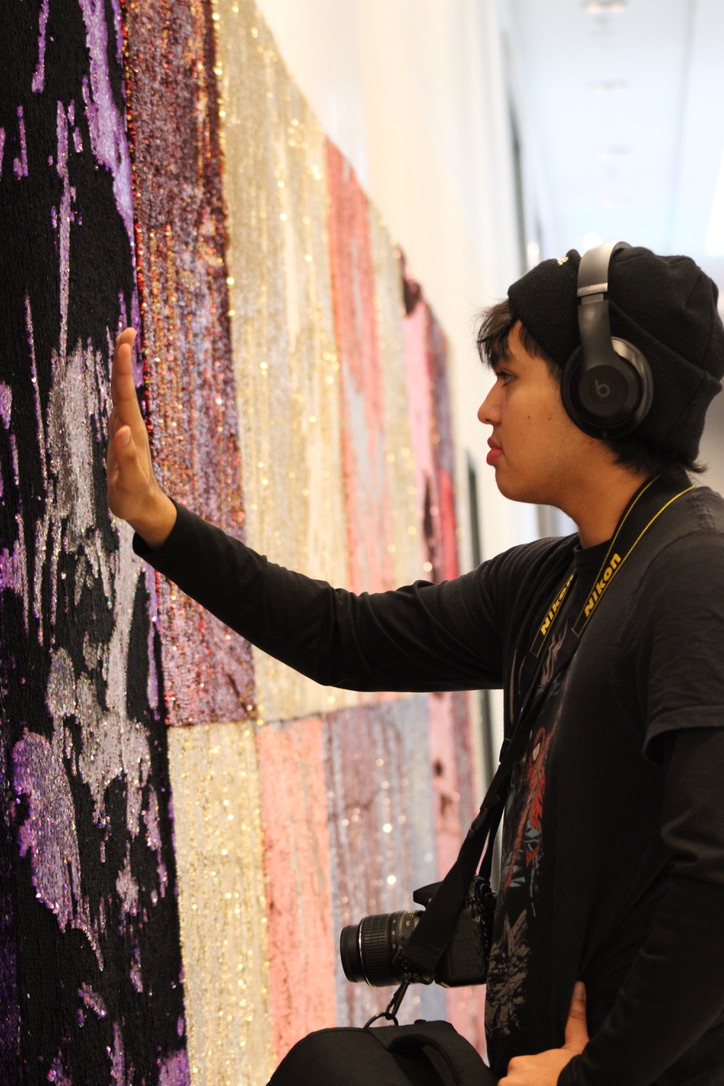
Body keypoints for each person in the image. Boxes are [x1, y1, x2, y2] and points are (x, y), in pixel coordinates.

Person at [107, 242, 724, 1085]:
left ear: (603, 388)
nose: (485, 409)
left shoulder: (694, 574)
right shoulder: (550, 578)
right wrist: (159, 521)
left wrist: (596, 1079)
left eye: (509, 377)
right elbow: (345, 637)